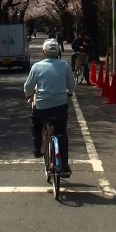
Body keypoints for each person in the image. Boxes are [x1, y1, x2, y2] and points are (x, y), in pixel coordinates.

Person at [24, 37, 76, 176]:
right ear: (58, 52)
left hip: (42, 108)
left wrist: (29, 95)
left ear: (43, 52)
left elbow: (28, 87)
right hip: (60, 107)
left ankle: (37, 148)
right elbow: (72, 85)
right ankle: (64, 165)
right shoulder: (64, 65)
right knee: (62, 133)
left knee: (35, 121)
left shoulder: (37, 67)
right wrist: (69, 93)